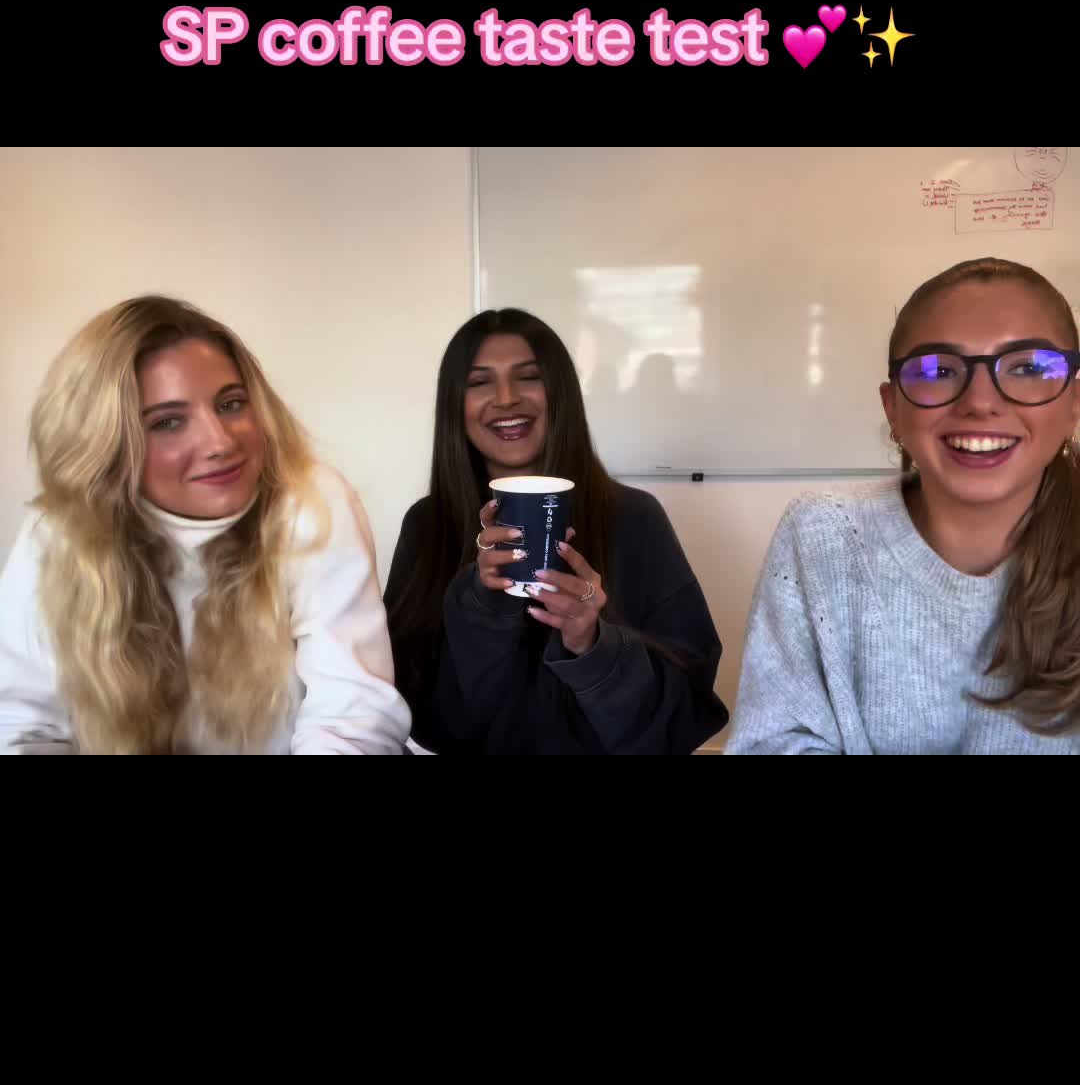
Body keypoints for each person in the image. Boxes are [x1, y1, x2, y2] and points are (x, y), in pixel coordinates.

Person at [0, 296, 411, 755]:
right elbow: (20, 727)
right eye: (168, 422)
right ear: (105, 444)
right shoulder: (55, 535)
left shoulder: (311, 500)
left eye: (231, 404)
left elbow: (351, 716)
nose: (220, 442)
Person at [725, 258, 1080, 755]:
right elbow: (770, 743)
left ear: (1074, 401)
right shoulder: (822, 534)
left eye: (1028, 368)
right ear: (892, 406)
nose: (981, 401)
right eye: (938, 370)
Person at [384, 308, 728, 755]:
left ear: (560, 393)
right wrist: (482, 607)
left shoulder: (634, 517)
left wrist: (594, 645)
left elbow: (688, 705)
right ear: (454, 405)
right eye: (479, 382)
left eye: (528, 377)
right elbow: (411, 704)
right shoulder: (428, 525)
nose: (506, 398)